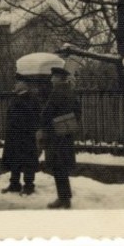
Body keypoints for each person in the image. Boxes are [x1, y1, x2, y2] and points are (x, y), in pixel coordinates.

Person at [40, 66, 80, 209]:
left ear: (58, 78)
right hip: (66, 134)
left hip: (56, 136)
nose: (51, 80)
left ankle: (63, 198)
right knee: (61, 167)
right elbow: (77, 113)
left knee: (58, 167)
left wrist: (44, 123)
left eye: (53, 77)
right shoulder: (70, 92)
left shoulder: (57, 93)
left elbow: (47, 113)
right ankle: (65, 197)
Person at [1, 75, 42, 195]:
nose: (15, 85)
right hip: (13, 136)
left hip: (26, 137)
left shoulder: (32, 99)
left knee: (28, 161)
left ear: (25, 85)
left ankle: (29, 186)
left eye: (18, 83)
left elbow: (35, 118)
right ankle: (14, 184)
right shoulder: (15, 98)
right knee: (14, 160)